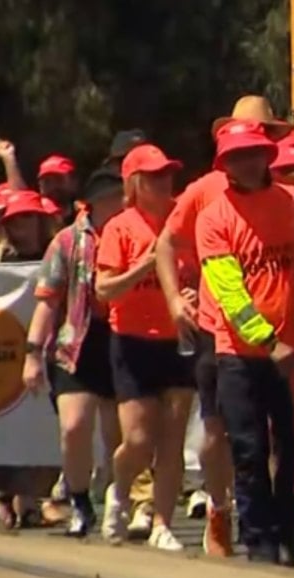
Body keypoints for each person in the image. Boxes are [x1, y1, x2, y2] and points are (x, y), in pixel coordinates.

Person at [154, 96, 291, 556]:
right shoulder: (206, 197)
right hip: (227, 335)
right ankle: (230, 517)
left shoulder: (293, 196)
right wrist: (175, 300)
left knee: (289, 445)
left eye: (263, 139)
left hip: (288, 343)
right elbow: (169, 246)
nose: (255, 150)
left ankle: (281, 528)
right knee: (229, 437)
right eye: (243, 143)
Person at [197, 120, 294, 567]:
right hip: (239, 354)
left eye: (254, 153)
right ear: (224, 164)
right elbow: (230, 294)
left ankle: (287, 524)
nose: (246, 163)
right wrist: (268, 340)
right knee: (249, 449)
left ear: (268, 155)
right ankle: (259, 539)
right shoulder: (214, 219)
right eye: (236, 157)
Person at [95, 143, 194, 550]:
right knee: (137, 439)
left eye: (167, 173)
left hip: (179, 339)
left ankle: (162, 523)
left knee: (172, 438)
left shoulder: (183, 222)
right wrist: (146, 266)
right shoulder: (120, 227)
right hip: (132, 342)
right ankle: (117, 493)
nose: (163, 182)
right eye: (153, 176)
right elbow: (104, 289)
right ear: (134, 184)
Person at [24, 170, 125, 537]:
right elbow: (47, 300)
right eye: (115, 197)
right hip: (75, 342)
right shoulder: (66, 242)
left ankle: (118, 495)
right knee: (74, 426)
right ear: (94, 203)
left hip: (122, 339)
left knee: (121, 433)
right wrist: (33, 353)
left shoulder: (135, 233)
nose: (123, 203)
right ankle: (79, 502)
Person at [0, 191, 62, 528]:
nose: (21, 226)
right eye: (14, 221)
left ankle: (30, 500)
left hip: (46, 352)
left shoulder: (55, 255)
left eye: (27, 219)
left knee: (40, 429)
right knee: (3, 426)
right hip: (3, 354)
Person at [37, 154, 79, 225]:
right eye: (47, 182)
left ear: (74, 182)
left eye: (58, 179)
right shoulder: (35, 219)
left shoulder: (88, 214)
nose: (53, 187)